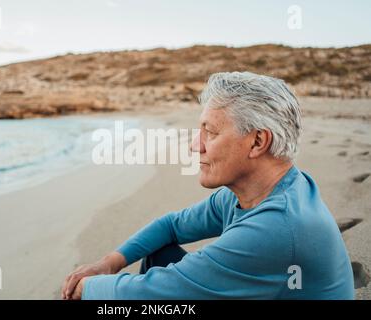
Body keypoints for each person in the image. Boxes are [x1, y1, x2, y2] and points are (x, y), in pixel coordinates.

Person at [62, 71, 355, 300]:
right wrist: (109, 263)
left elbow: (155, 290)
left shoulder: (275, 228)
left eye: (210, 133)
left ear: (257, 142)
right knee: (158, 255)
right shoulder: (256, 190)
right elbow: (171, 226)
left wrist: (85, 288)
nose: (194, 146)